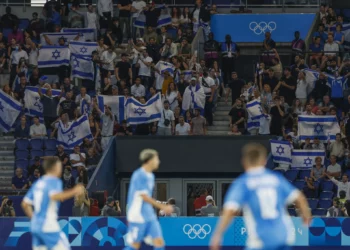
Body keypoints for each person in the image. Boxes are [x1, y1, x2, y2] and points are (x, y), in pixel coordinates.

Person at [210, 143, 311, 250]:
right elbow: (299, 198)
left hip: (260, 240)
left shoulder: (243, 182)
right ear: (264, 161)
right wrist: (306, 216)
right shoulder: (276, 179)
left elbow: (229, 210)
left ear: (244, 162)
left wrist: (218, 234)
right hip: (283, 236)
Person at [21, 157, 84, 250]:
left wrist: (35, 219)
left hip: (36, 226)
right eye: (59, 166)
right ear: (55, 167)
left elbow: (25, 204)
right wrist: (74, 191)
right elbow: (54, 196)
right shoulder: (54, 181)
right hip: (48, 224)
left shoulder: (38, 183)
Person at [125, 149, 173, 250]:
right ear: (149, 160)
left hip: (149, 215)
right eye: (156, 159)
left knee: (159, 242)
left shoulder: (151, 176)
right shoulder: (138, 175)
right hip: (137, 215)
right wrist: (163, 206)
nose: (158, 162)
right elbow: (144, 196)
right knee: (135, 246)